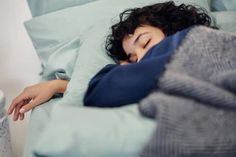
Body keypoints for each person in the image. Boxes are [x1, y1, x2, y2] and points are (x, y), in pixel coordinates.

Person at [7, 1, 212, 121]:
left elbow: (103, 91)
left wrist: (119, 72)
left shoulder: (195, 43)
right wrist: (59, 85)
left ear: (173, 29)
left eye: (145, 41)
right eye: (132, 59)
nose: (140, 58)